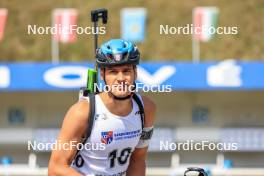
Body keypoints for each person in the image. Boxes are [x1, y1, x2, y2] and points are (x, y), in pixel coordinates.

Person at [48, 39, 156, 176]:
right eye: (113, 72)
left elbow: (138, 160)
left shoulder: (146, 108)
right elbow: (56, 169)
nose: (121, 78)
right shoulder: (82, 112)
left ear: (135, 72)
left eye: (126, 71)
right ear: (102, 75)